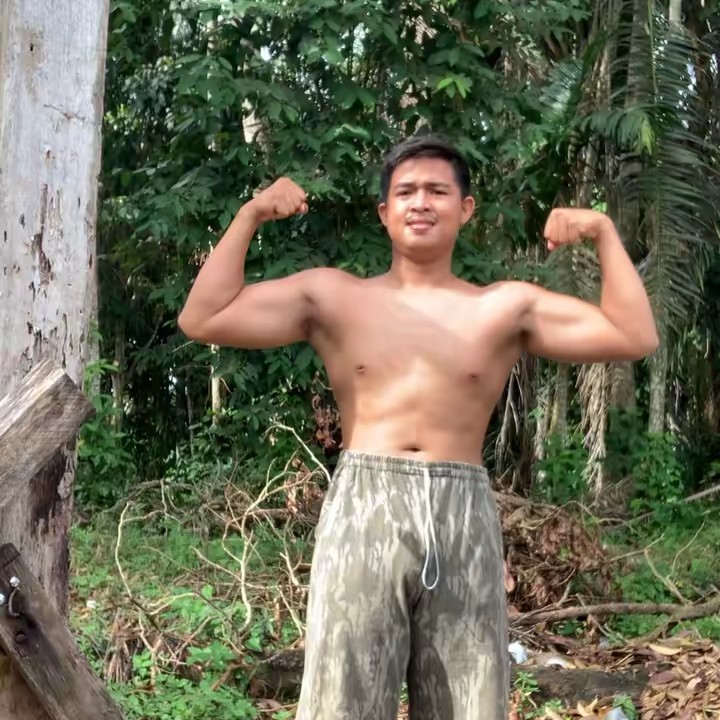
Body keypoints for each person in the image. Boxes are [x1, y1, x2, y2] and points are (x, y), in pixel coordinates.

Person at [178, 135, 659, 719]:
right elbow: (204, 316)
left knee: (471, 703)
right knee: (341, 702)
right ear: (385, 213)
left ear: (466, 209)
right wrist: (251, 214)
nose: (421, 202)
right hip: (364, 508)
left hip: (463, 515)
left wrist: (603, 232)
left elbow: (633, 335)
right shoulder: (333, 297)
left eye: (437, 190)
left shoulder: (504, 308)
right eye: (406, 192)